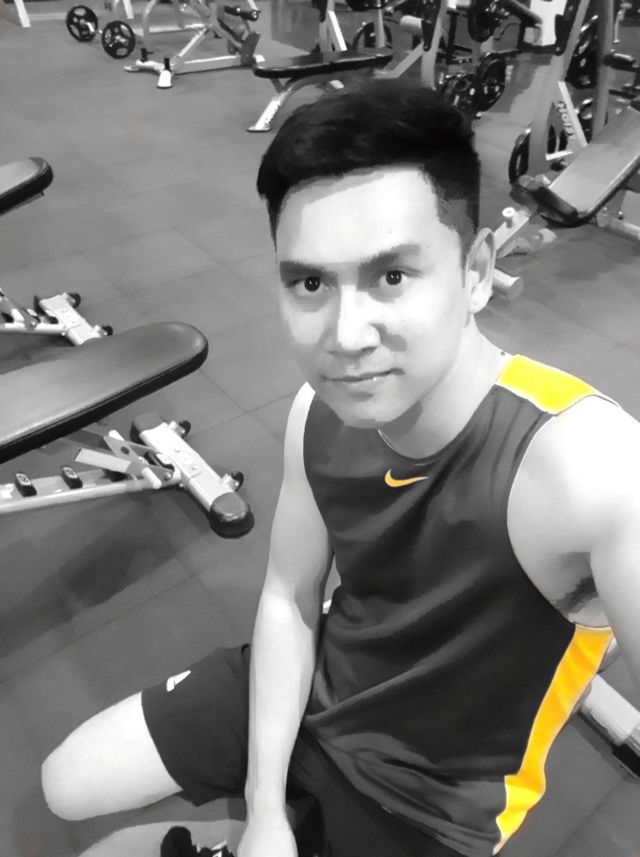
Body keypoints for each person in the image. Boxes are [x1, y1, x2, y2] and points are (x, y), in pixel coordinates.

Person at [40, 78, 640, 857]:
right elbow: (289, 596)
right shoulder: (317, 413)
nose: (346, 336)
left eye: (392, 275)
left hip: (433, 802)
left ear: (476, 270)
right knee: (66, 782)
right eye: (311, 282)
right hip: (323, 685)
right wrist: (263, 813)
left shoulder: (591, 468)